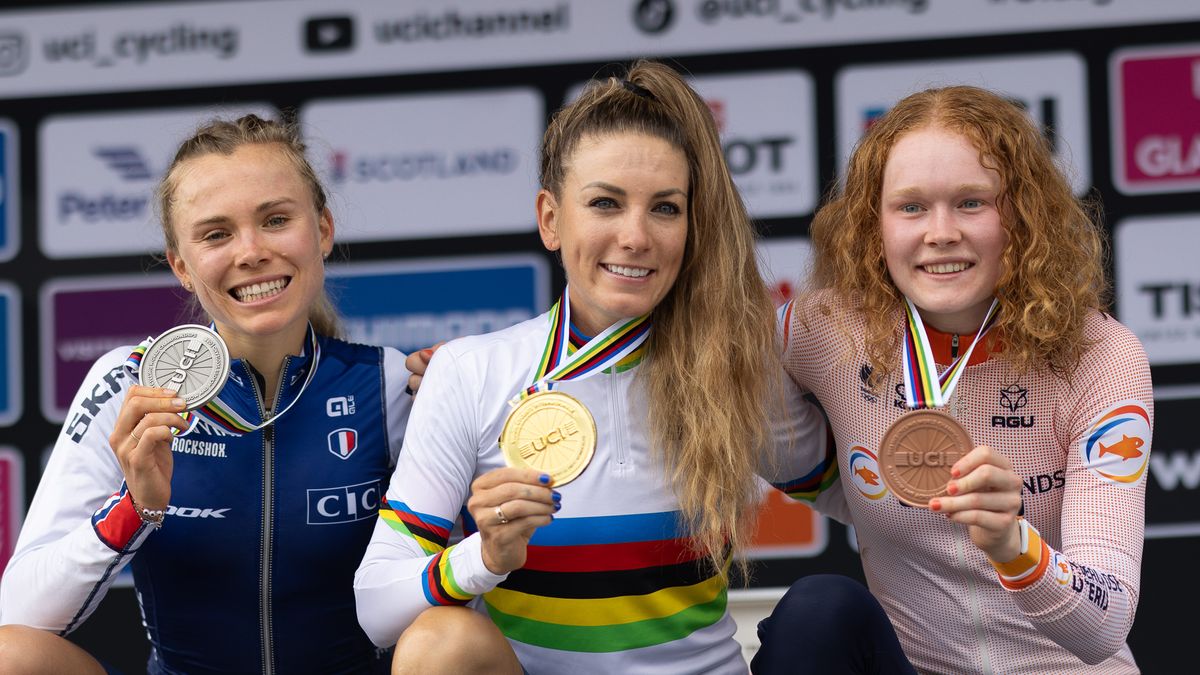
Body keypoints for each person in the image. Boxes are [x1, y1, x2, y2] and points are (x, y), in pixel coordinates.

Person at [352, 60, 893, 674]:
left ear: (691, 226)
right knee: (438, 645)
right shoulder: (471, 373)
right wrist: (485, 557)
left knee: (827, 607)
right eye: (605, 203)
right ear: (551, 220)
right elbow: (376, 605)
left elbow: (867, 502)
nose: (636, 236)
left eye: (665, 209)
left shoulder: (731, 366)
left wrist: (959, 477)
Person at [0, 114, 414, 674]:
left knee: (451, 636)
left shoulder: (391, 384)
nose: (250, 252)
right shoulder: (129, 382)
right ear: (182, 266)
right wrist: (135, 509)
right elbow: (18, 610)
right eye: (216, 234)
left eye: (274, 220)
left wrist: (463, 395)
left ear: (322, 230)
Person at [766, 85, 1152, 673]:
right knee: (819, 610)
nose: (940, 232)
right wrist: (830, 480)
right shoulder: (828, 332)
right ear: (874, 226)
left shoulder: (1100, 356)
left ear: (1023, 215)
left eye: (972, 202)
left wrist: (1013, 544)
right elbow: (711, 364)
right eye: (911, 207)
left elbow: (1105, 624)